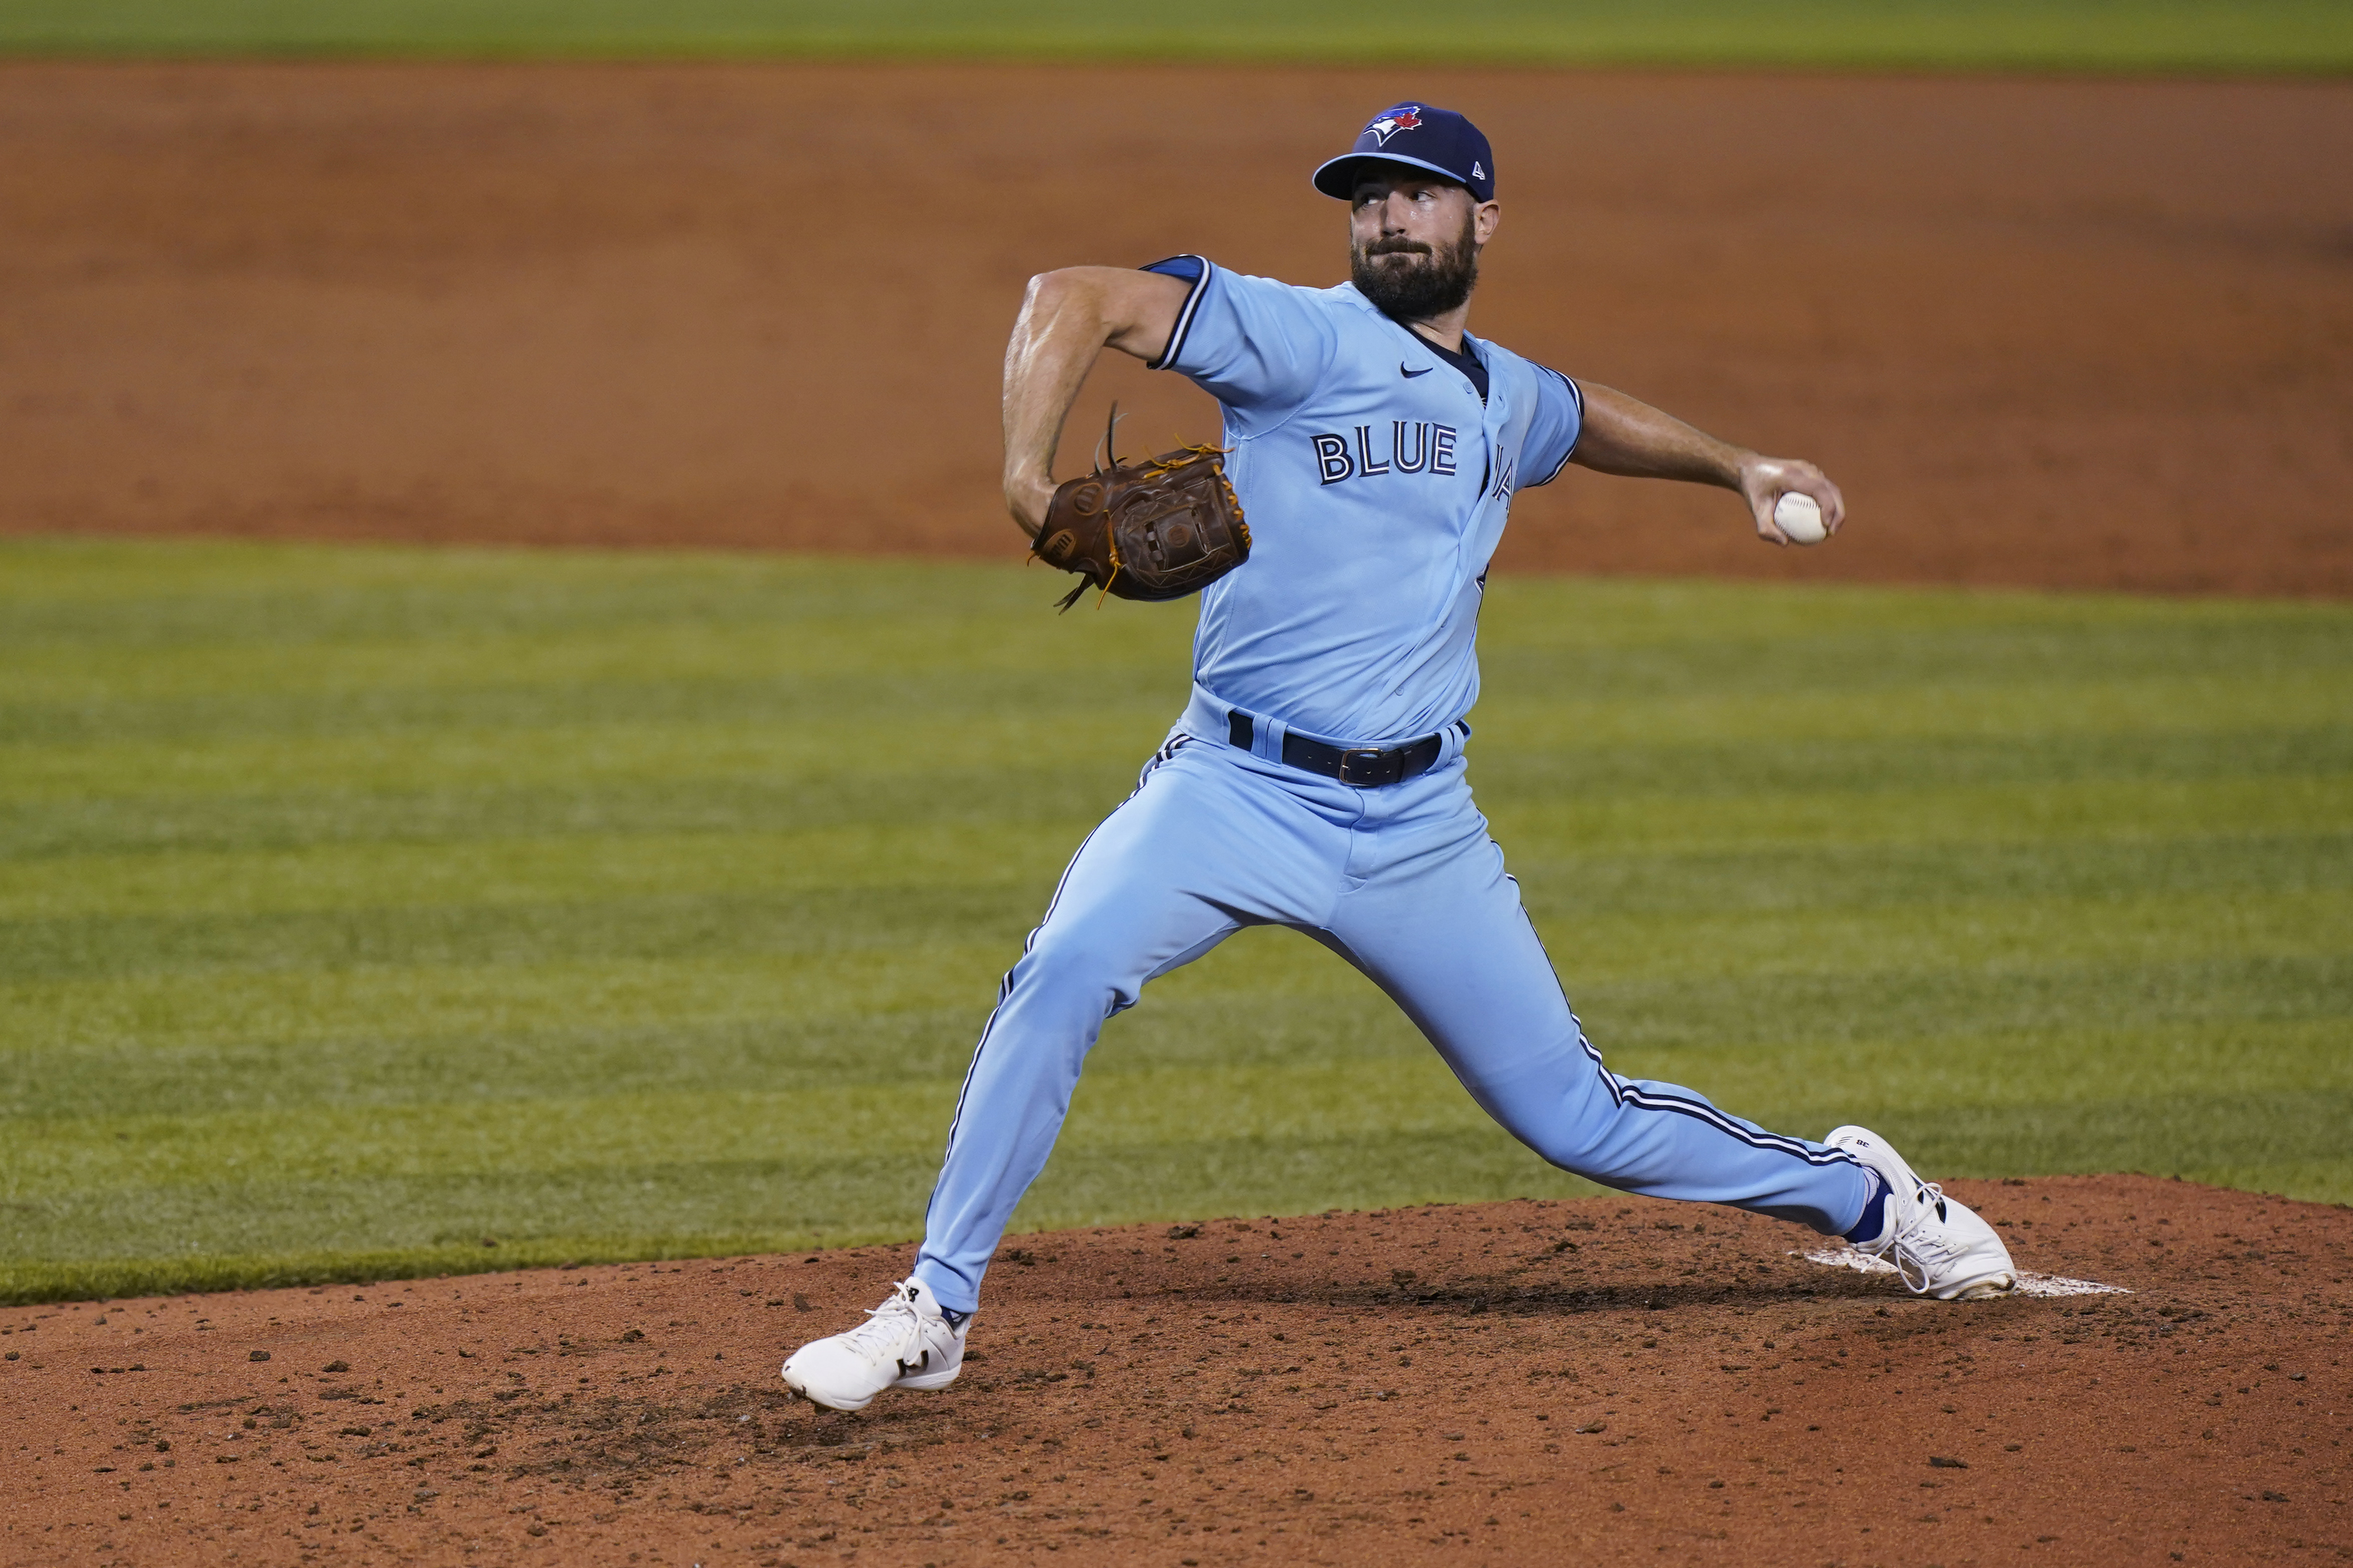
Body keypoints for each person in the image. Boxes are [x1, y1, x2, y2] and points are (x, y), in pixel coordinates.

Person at [782, 102, 2014, 1413]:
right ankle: (937, 1306)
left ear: (1482, 219)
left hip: (1420, 827)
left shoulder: (1500, 393)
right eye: (1367, 195)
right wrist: (1030, 484)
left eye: (1418, 193)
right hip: (1234, 790)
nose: (1386, 213)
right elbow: (1072, 296)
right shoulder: (1299, 336)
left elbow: (1582, 414)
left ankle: (1866, 1194)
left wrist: (1739, 466)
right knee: (1067, 967)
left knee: (1576, 1121)